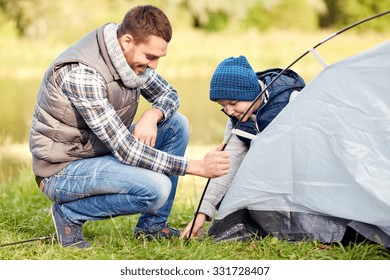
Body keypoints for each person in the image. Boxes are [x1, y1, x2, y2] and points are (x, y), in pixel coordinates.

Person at [29, 5, 230, 248]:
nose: (154, 65)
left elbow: (169, 94)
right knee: (157, 189)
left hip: (98, 153)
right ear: (127, 41)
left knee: (176, 124)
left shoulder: (130, 60)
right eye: (151, 57)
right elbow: (127, 151)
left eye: (158, 57)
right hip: (61, 171)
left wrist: (152, 115)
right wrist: (197, 167)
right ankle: (69, 215)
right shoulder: (84, 74)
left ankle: (151, 227)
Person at [180, 55, 305, 238]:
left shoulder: (291, 101)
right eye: (223, 106)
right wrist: (201, 213)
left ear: (252, 93)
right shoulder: (237, 120)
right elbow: (226, 165)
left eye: (233, 103)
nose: (229, 111)